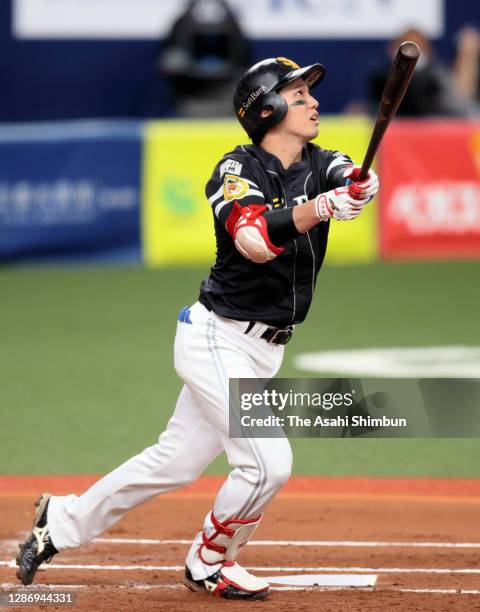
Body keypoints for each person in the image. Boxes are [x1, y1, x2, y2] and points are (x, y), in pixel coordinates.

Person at [16, 56, 379, 600]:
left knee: (174, 461)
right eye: (298, 94)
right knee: (267, 464)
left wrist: (358, 188)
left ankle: (60, 521)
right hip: (217, 338)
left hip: (264, 349)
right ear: (266, 108)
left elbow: (346, 177)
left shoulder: (324, 159)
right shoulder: (235, 171)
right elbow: (255, 242)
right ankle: (209, 560)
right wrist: (324, 208)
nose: (313, 102)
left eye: (309, 93)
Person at [367, 28, 479, 117]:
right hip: (395, 131)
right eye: (407, 46)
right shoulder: (381, 77)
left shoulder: (437, 76)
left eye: (418, 46)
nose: (412, 54)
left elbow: (456, 105)